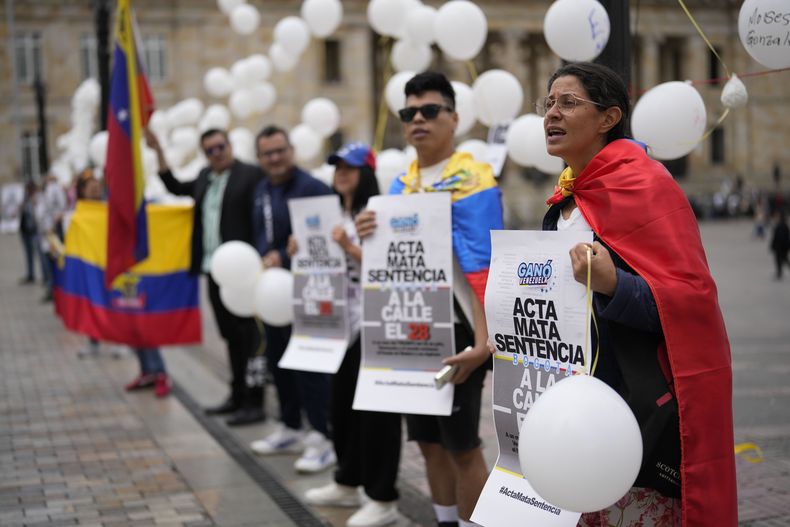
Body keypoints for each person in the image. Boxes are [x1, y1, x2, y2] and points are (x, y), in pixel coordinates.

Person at [536, 62, 736, 526]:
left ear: (608, 118)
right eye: (548, 104)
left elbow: (691, 302)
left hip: (631, 414)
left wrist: (614, 284)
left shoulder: (646, 184)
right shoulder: (565, 200)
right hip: (571, 414)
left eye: (568, 103)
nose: (552, 114)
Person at [355, 71, 504, 527]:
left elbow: (486, 268)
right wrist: (365, 233)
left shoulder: (475, 179)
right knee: (428, 444)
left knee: (462, 446)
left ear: (454, 118)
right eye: (409, 112)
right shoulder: (400, 186)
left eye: (430, 110)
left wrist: (483, 344)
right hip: (410, 326)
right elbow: (389, 266)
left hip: (458, 329)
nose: (417, 119)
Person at [298, 144, 402, 526]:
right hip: (338, 327)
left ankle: (382, 497)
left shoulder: (378, 214)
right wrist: (299, 249)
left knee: (377, 414)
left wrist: (346, 246)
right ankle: (347, 480)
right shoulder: (331, 214)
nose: (341, 173)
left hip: (376, 324)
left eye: (350, 167)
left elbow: (391, 265)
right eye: (337, 167)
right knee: (340, 407)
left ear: (367, 172)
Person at [146, 128, 264, 425]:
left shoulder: (251, 175)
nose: (217, 153)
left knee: (250, 338)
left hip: (242, 270)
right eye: (210, 150)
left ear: (230, 145)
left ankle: (255, 401)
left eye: (220, 146)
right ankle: (237, 394)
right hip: (213, 270)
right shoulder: (204, 177)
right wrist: (158, 150)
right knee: (230, 337)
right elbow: (174, 186)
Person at [248, 126, 335, 474]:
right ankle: (291, 426)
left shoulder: (312, 188)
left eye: (280, 150)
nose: (275, 158)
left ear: (292, 150)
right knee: (278, 360)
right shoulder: (261, 189)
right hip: (272, 293)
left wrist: (283, 258)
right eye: (267, 153)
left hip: (308, 292)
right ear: (259, 158)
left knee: (309, 367)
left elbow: (322, 239)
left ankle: (323, 436)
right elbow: (262, 236)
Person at [35, 175, 68, 302]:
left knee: (54, 261)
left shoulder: (54, 189)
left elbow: (62, 207)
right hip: (44, 232)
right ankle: (52, 288)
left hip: (52, 232)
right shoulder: (43, 192)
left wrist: (55, 222)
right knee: (48, 261)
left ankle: (56, 289)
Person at [18, 182, 41, 285]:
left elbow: (36, 214)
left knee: (38, 254)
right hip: (25, 230)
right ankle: (30, 274)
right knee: (28, 254)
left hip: (33, 231)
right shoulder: (25, 198)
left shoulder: (36, 198)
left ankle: (45, 277)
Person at [770, 211, 789, 280]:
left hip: (781, 247)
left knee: (783, 260)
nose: (775, 218)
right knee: (780, 260)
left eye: (776, 217)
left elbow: (782, 238)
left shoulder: (782, 226)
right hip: (779, 247)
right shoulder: (779, 225)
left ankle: (779, 273)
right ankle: (779, 273)